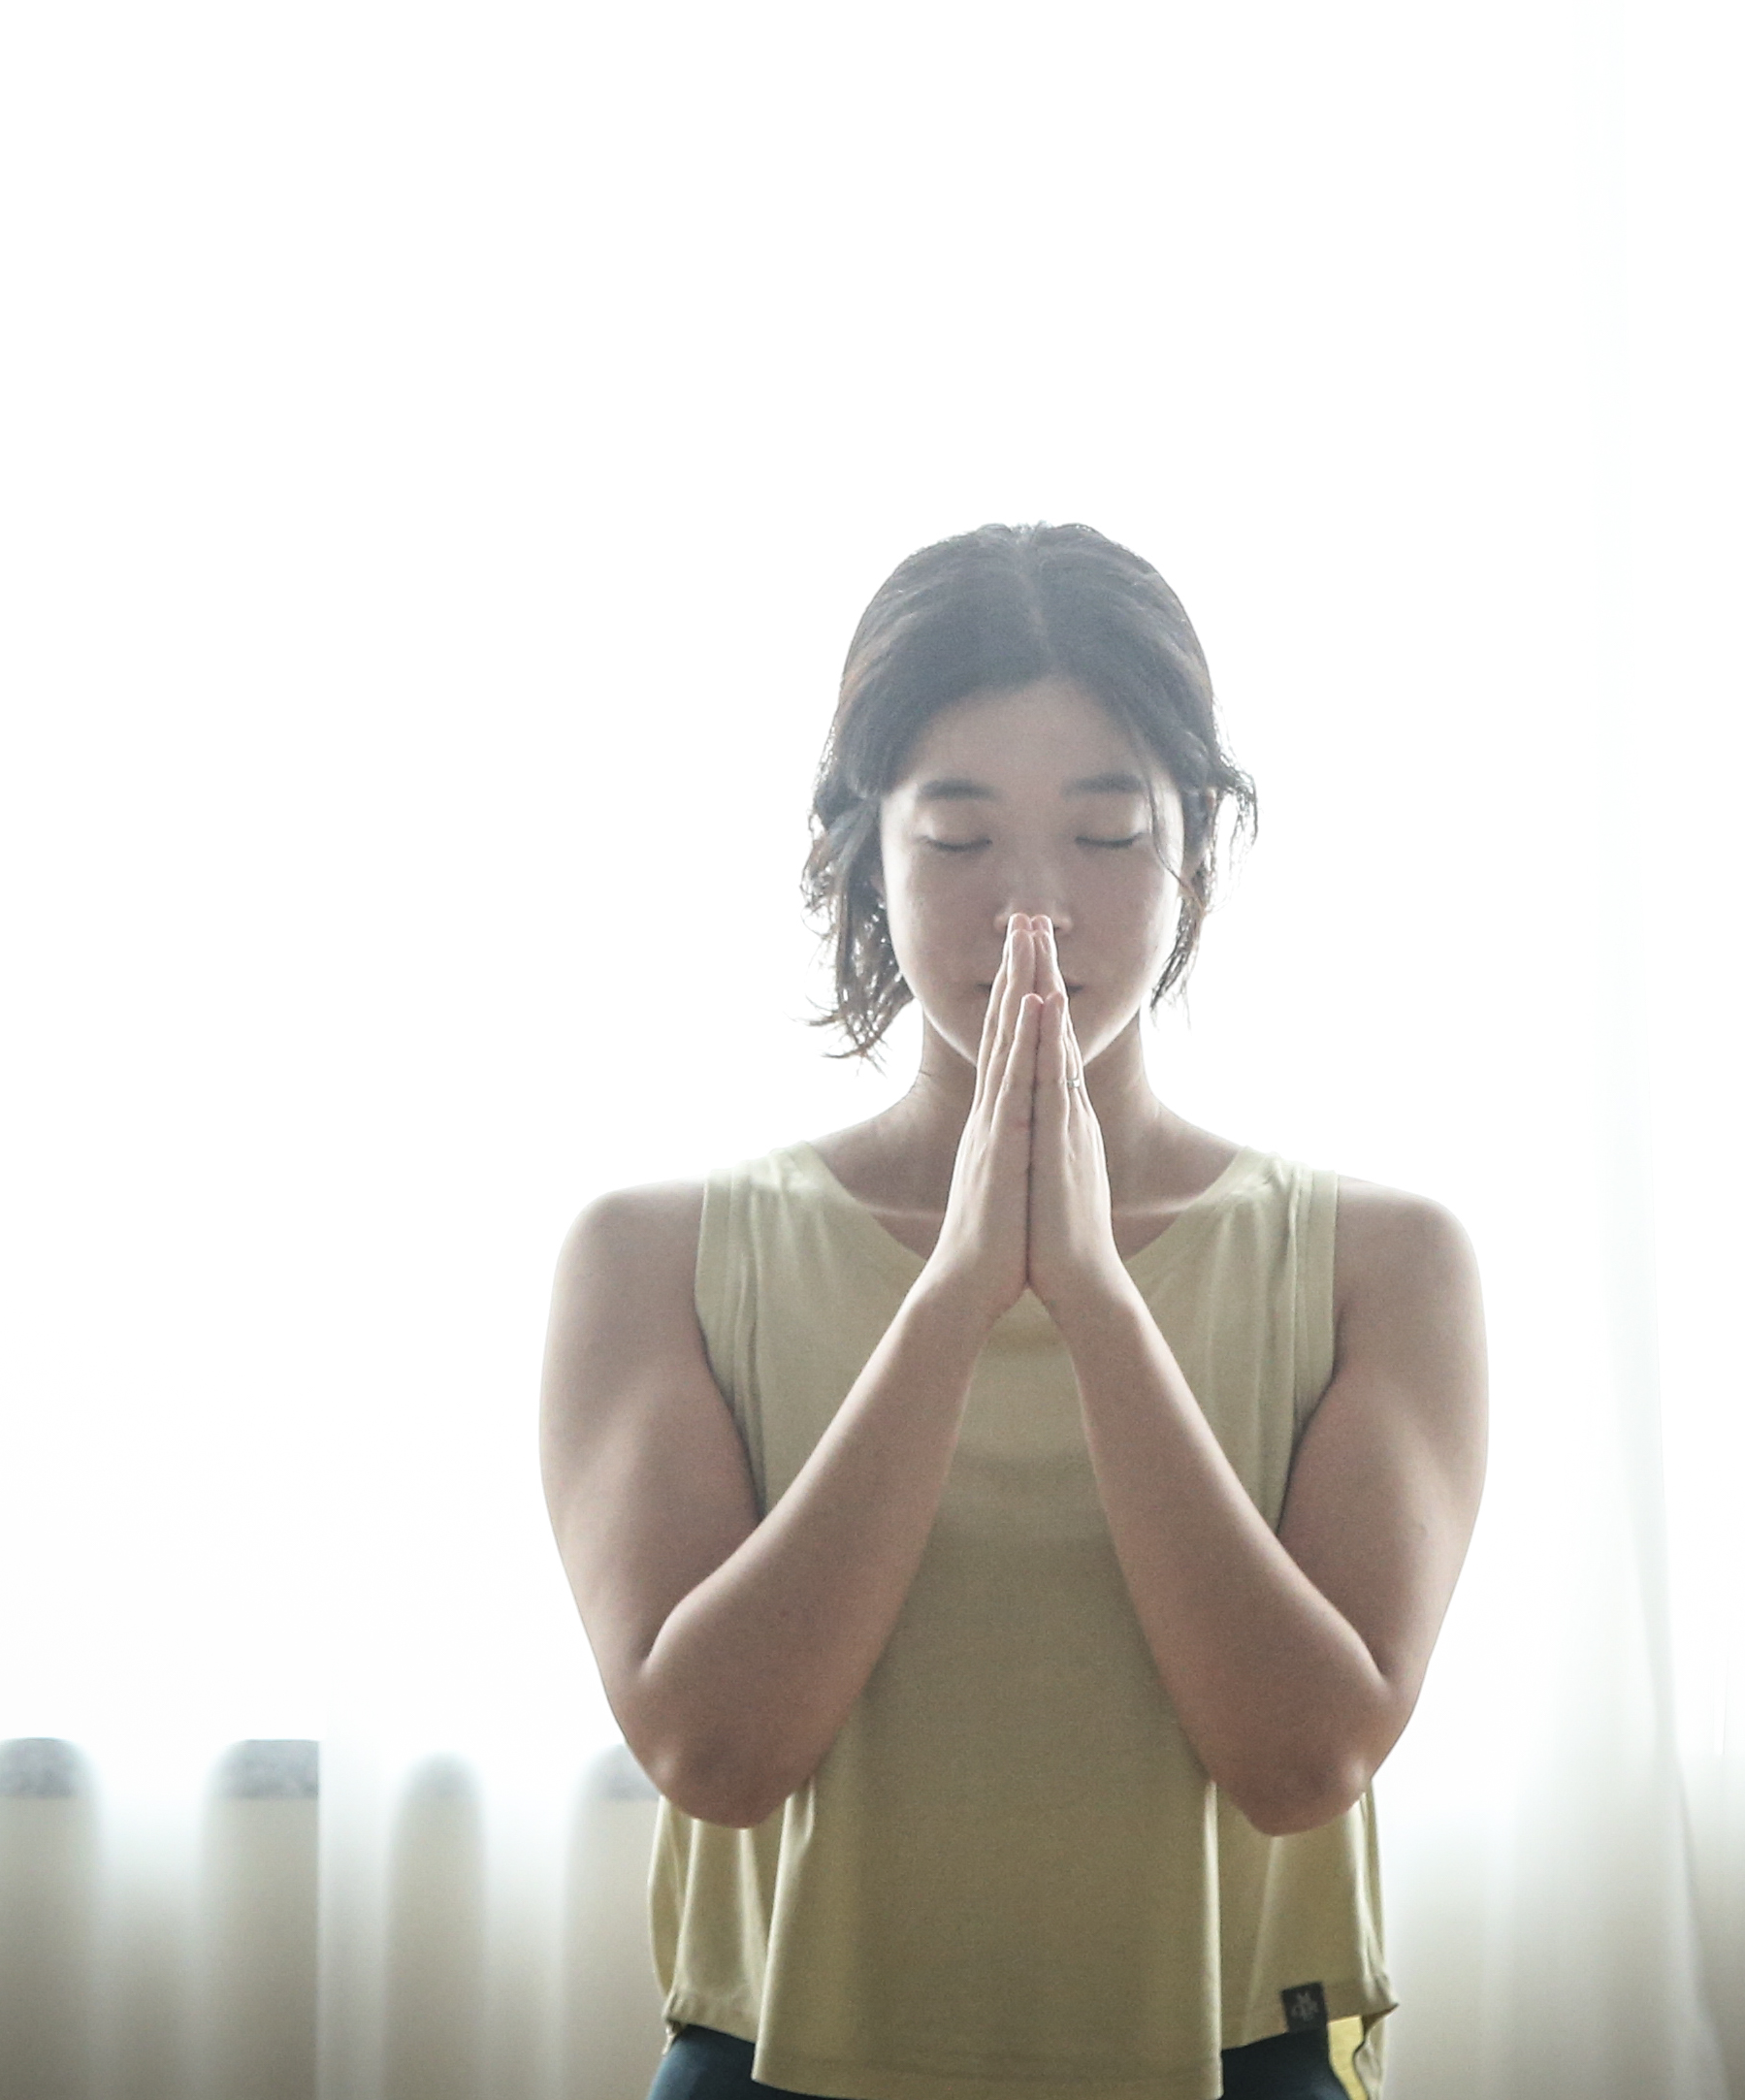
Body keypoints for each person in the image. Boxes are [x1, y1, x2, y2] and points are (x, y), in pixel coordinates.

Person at [539, 524, 1491, 2100]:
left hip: (1234, 2062)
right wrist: (952, 1300)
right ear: (866, 856)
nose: (1032, 905)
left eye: (1108, 833)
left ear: (1196, 851)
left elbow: (1301, 1760)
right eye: (959, 837)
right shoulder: (653, 1254)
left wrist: (1098, 1301)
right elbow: (715, 1750)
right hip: (777, 2064)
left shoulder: (1381, 1261)